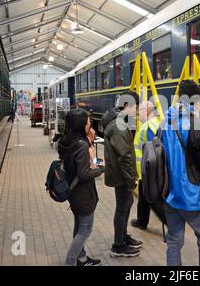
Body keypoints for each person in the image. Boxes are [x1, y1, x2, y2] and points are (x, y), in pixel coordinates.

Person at [161, 80, 200, 266]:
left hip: (169, 194)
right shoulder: (196, 123)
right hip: (192, 194)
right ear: (195, 101)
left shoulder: (164, 122)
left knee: (173, 241)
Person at [58, 109, 104, 266]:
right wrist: (101, 169)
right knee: (85, 230)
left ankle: (82, 258)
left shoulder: (66, 141)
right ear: (81, 124)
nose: (90, 123)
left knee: (79, 227)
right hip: (83, 194)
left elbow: (81, 164)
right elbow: (84, 173)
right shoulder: (81, 145)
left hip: (73, 192)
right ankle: (70, 262)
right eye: (88, 121)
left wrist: (90, 142)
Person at [101, 91, 142, 258]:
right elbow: (124, 156)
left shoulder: (119, 122)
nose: (137, 112)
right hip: (121, 176)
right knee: (122, 208)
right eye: (136, 108)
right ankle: (118, 246)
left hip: (121, 174)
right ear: (126, 106)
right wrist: (130, 179)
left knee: (126, 204)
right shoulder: (119, 126)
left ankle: (123, 237)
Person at [131, 101, 166, 230]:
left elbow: (154, 150)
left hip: (147, 169)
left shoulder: (149, 126)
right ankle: (142, 221)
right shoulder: (155, 123)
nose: (137, 113)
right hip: (146, 170)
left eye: (139, 110)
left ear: (147, 111)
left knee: (152, 199)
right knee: (144, 197)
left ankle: (170, 223)